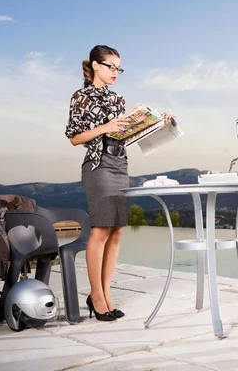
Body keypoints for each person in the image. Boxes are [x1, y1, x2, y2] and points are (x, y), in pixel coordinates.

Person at [65, 45, 171, 322]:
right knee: (100, 230)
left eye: (118, 68)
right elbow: (74, 138)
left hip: (120, 164)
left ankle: (106, 294)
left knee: (116, 233)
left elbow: (127, 137)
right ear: (96, 65)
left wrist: (157, 123)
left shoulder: (118, 99)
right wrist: (104, 128)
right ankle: (96, 297)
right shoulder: (81, 96)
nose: (115, 72)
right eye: (110, 66)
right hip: (98, 165)